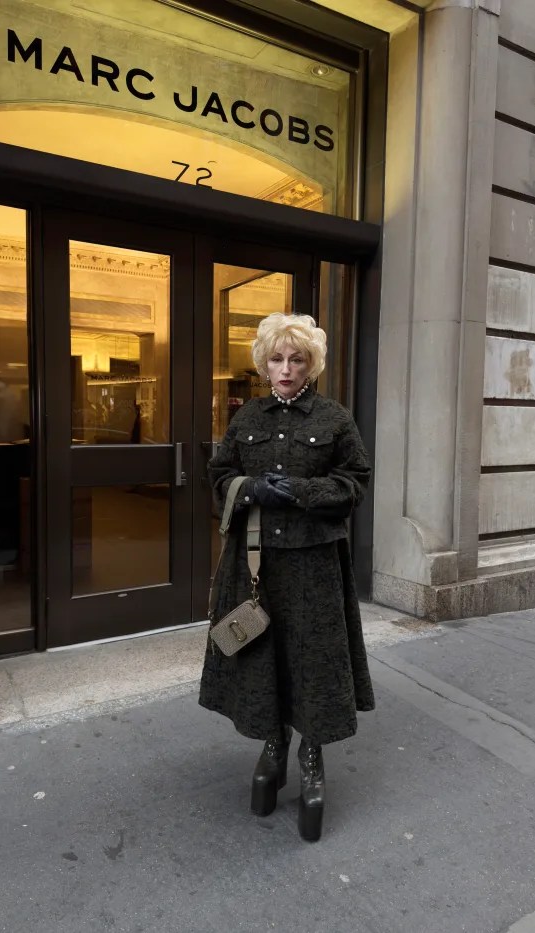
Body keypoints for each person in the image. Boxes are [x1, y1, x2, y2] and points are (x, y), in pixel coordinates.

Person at [199, 312, 375, 842]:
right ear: (264, 363)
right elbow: (219, 476)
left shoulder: (335, 418)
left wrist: (301, 493)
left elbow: (355, 482)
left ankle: (311, 753)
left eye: (296, 359)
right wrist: (250, 489)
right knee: (262, 657)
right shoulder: (247, 415)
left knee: (313, 663)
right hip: (256, 566)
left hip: (315, 569)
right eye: (276, 359)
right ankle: (273, 744)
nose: (285, 369)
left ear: (311, 364)